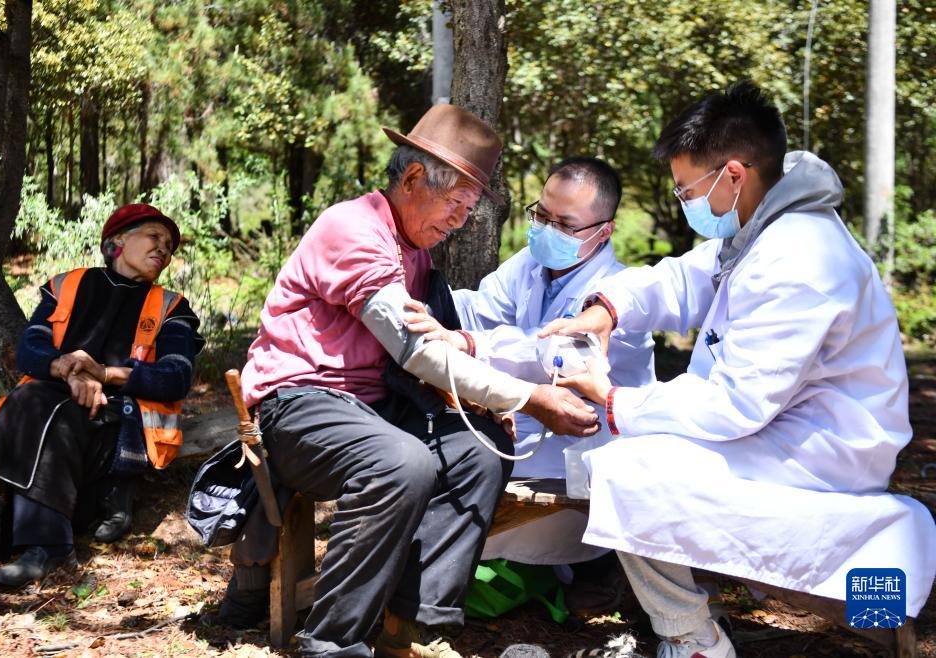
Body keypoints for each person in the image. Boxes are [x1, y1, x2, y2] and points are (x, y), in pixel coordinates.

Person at [542, 81, 936, 658]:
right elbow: (684, 278)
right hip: (783, 429)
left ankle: (691, 636)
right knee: (628, 453)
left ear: (731, 175)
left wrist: (612, 397)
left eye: (685, 190)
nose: (683, 201)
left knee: (625, 470)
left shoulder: (799, 257)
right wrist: (609, 307)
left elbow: (735, 405)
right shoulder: (761, 228)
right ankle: (702, 608)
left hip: (820, 452)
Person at [214, 104, 601, 658]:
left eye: (470, 209)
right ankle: (330, 643)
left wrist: (480, 392)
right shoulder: (354, 229)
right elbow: (416, 352)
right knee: (402, 462)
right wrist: (530, 398)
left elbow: (427, 351)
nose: (460, 220)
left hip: (370, 409)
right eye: (456, 203)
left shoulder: (414, 253)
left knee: (480, 451)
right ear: (414, 177)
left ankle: (410, 628)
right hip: (298, 406)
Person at [403, 157, 655, 571]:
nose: (548, 229)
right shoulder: (532, 265)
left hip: (577, 462)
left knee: (453, 516)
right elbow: (481, 308)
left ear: (604, 230)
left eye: (565, 224)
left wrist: (468, 342)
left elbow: (552, 352)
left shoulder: (618, 296)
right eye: (542, 215)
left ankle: (595, 573)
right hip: (524, 437)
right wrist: (424, 305)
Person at [0, 203, 204, 588]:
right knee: (39, 401)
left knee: (56, 412)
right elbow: (30, 350)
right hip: (49, 411)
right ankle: (1, 530)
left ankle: (46, 546)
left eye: (169, 246)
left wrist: (105, 374)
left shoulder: (172, 307)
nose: (163, 249)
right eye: (154, 236)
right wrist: (69, 370)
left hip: (116, 433)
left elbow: (176, 377)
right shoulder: (67, 285)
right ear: (117, 241)